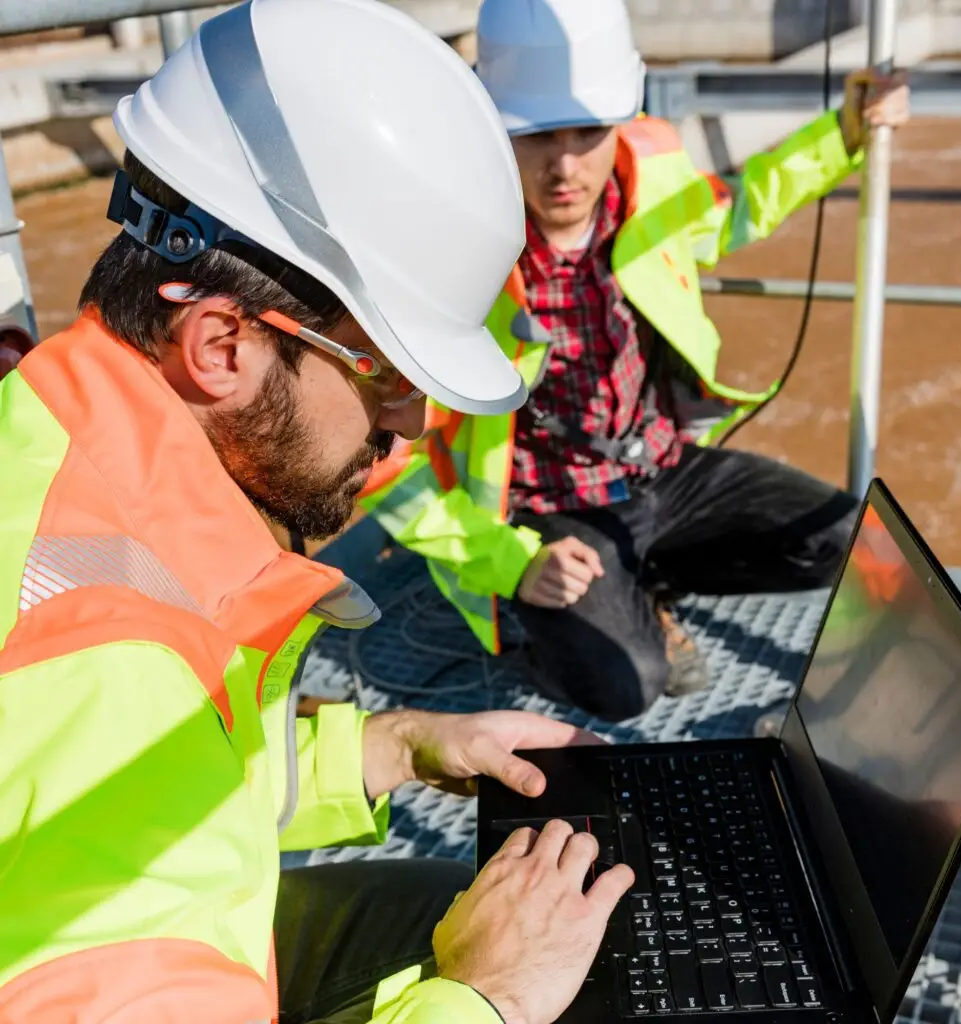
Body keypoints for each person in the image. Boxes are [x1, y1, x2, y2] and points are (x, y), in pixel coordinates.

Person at [0, 3, 634, 1023]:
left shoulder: (60, 440)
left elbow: (179, 777)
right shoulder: (108, 662)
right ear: (221, 346)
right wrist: (489, 995)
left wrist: (391, 747)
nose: (414, 422)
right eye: (384, 374)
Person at [359, 0, 911, 722]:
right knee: (623, 688)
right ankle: (557, 625)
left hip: (663, 470)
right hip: (546, 514)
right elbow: (383, 463)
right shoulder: (445, 249)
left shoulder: (653, 169)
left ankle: (643, 587)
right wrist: (513, 564)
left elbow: (735, 211)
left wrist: (844, 134)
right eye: (535, 136)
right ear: (493, 132)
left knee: (850, 540)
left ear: (620, 118)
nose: (564, 166)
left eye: (587, 132)